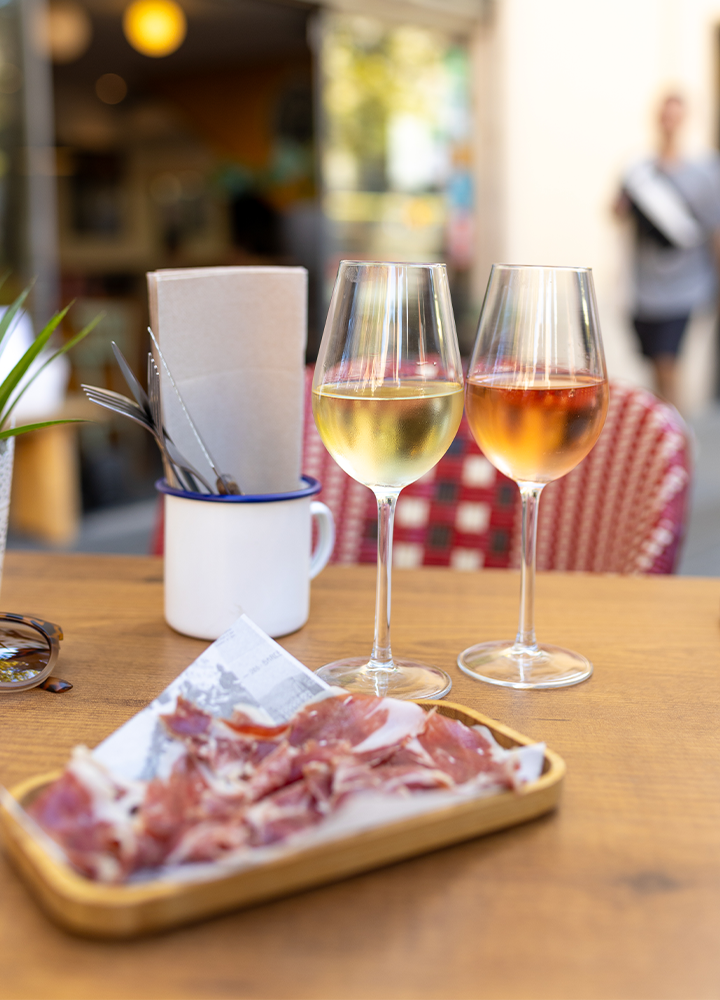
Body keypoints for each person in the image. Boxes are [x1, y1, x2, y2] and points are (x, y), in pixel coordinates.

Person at [615, 94, 720, 408]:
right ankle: (670, 435)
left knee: (667, 364)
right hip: (646, 290)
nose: (669, 123)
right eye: (665, 115)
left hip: (685, 288)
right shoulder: (638, 170)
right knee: (656, 370)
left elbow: (714, 231)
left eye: (676, 116)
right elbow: (616, 212)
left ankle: (675, 441)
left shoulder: (703, 174)